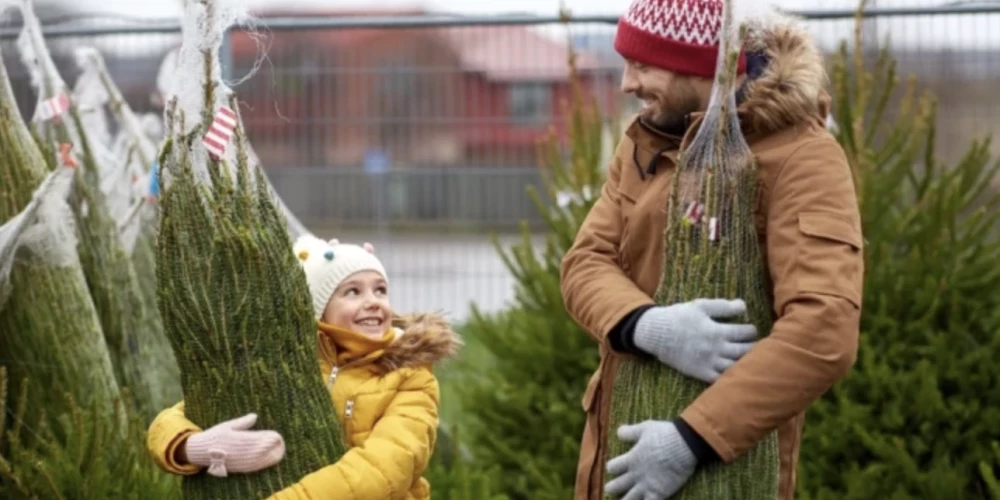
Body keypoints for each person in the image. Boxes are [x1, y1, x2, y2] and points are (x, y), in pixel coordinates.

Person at [559, 0, 864, 499]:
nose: (626, 84)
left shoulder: (801, 157)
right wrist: (649, 327)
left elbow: (823, 329)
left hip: (722, 469)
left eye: (643, 64)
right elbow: (585, 262)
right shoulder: (648, 142)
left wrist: (690, 440)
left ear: (698, 63)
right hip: (619, 455)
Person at [146, 234, 461, 500]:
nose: (373, 301)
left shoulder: (411, 375)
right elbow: (174, 416)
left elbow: (385, 469)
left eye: (380, 289)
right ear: (319, 310)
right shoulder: (290, 362)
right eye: (353, 291)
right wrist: (195, 447)